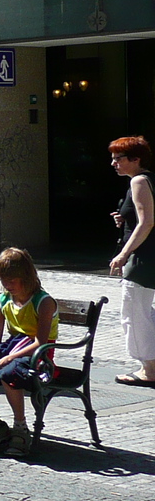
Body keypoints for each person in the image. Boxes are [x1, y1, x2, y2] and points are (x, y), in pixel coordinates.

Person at [0, 248, 59, 456]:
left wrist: (4, 360)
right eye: (3, 280)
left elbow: (41, 341)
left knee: (8, 374)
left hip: (38, 355)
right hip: (13, 346)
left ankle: (20, 427)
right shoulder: (2, 301)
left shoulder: (43, 302)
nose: (7, 285)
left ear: (26, 277)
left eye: (12, 280)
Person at [110, 135, 155, 388]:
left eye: (119, 159)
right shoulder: (148, 180)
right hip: (148, 256)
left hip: (143, 259)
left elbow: (147, 222)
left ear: (135, 159)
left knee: (134, 313)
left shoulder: (139, 180)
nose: (114, 163)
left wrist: (123, 254)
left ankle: (149, 370)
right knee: (145, 312)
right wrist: (123, 218)